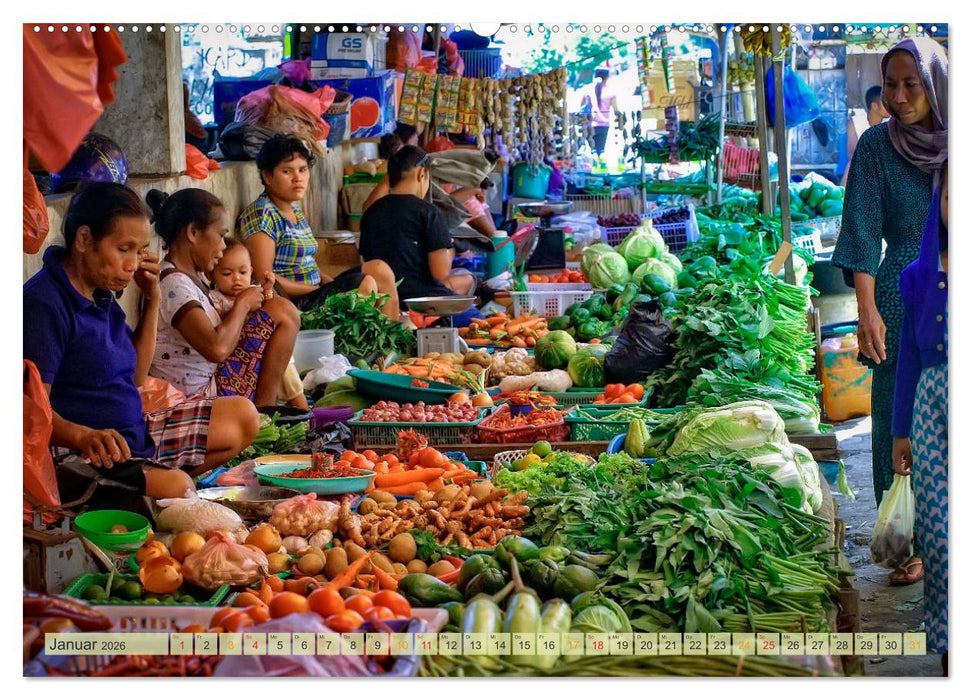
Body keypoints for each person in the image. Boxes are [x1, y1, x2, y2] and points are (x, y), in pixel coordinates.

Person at [23, 182, 259, 499]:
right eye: (124, 249)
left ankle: (150, 483)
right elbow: (29, 411)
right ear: (84, 239)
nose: (133, 264)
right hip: (81, 454)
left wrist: (152, 300)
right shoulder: (44, 303)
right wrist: (81, 436)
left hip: (133, 434)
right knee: (178, 488)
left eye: (139, 251)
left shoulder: (100, 294)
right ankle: (151, 488)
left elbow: (135, 377)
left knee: (243, 417)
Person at [831, 36, 947, 586]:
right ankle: (907, 541)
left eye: (911, 85)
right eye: (891, 85)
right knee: (898, 420)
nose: (898, 97)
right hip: (901, 297)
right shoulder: (879, 146)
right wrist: (867, 309)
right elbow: (860, 230)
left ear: (936, 86)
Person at [147, 188, 300, 407]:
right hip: (200, 396)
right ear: (193, 233)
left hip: (214, 381)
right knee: (283, 311)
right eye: (220, 236)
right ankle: (263, 412)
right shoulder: (173, 284)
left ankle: (264, 411)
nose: (222, 247)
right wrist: (243, 304)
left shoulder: (192, 277)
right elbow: (217, 349)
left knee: (278, 310)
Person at [237, 135, 399, 319]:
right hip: (294, 303)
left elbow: (307, 263)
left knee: (379, 269)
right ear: (267, 176)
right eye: (287, 171)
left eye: (302, 169)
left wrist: (330, 283)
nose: (298, 178)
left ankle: (391, 334)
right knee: (364, 284)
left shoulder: (293, 209)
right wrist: (317, 289)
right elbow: (263, 277)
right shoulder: (262, 215)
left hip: (314, 291)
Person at [891, 163, 947, 672]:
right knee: (940, 537)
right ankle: (951, 650)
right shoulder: (917, 277)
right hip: (932, 412)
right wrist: (899, 432)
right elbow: (908, 358)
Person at [360, 145, 475, 303]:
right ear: (422, 174)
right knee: (471, 289)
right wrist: (450, 250)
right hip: (422, 300)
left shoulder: (371, 212)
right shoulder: (429, 212)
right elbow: (441, 274)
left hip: (382, 299)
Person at [210, 240, 308, 410]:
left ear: (251, 271)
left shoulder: (253, 292)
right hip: (237, 353)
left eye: (243, 272)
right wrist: (240, 307)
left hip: (261, 346)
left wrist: (268, 289)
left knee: (286, 365)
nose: (236, 278)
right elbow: (220, 324)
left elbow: (270, 308)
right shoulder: (215, 299)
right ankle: (290, 410)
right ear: (212, 275)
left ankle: (302, 409)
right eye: (227, 273)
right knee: (283, 366)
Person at [838, 85, 890, 186]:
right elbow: (851, 154)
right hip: (862, 165)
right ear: (874, 106)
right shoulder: (855, 122)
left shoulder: (890, 124)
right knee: (851, 166)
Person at [581, 68, 618, 160]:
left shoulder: (588, 90)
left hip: (589, 125)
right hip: (604, 125)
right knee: (600, 151)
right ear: (607, 77)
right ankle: (599, 166)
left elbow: (581, 107)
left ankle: (591, 166)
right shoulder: (611, 91)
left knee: (592, 151)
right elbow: (616, 110)